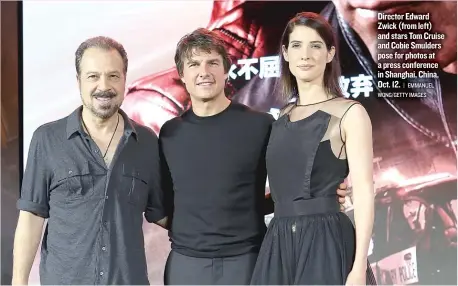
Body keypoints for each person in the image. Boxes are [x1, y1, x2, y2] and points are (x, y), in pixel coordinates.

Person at [158, 28, 348, 285]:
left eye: (213, 62)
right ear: (182, 75)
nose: (204, 71)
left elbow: (292, 184)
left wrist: (325, 192)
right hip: (187, 263)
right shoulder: (170, 133)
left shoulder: (261, 125)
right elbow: (163, 203)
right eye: (194, 64)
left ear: (226, 70)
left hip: (250, 259)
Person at [12, 36, 166, 285]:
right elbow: (31, 217)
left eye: (113, 76)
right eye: (93, 76)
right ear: (79, 81)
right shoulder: (47, 139)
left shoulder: (147, 141)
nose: (103, 86)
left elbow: (161, 212)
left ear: (125, 79)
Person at [249, 12, 376, 285]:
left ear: (330, 53)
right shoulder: (281, 116)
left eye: (315, 45)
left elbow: (365, 193)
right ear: (285, 53)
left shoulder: (350, 113)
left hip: (327, 241)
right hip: (279, 243)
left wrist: (358, 269)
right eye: (296, 46)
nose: (305, 55)